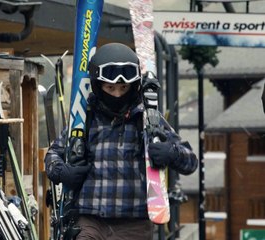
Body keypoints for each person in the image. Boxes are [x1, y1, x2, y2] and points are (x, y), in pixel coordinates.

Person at [44, 43, 198, 240]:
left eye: (123, 88)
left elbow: (190, 161)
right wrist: (60, 170)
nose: (117, 94)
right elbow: (52, 154)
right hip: (90, 219)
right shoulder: (86, 119)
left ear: (133, 86)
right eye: (110, 88)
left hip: (133, 223)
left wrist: (171, 152)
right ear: (98, 86)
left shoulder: (148, 119)